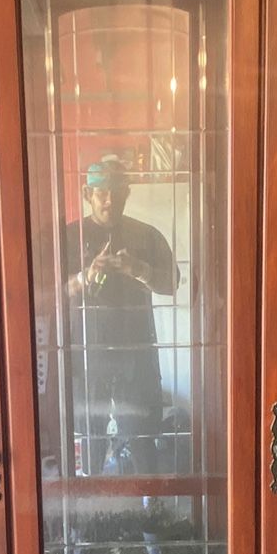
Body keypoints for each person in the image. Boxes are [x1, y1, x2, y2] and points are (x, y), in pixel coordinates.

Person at [63, 157, 178, 476]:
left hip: (136, 354)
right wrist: (84, 277)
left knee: (143, 438)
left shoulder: (146, 236)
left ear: (127, 193)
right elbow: (46, 295)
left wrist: (138, 269)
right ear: (87, 193)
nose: (110, 200)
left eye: (117, 192)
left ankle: (151, 518)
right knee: (90, 438)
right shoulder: (68, 236)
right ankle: (88, 517)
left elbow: (174, 284)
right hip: (86, 354)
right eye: (102, 192)